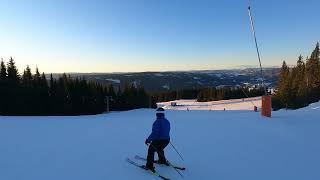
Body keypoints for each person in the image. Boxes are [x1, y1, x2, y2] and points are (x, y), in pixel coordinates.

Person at [145, 107, 170, 172]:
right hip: (167, 140)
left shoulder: (157, 122)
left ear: (157, 114)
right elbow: (167, 130)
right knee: (160, 148)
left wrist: (148, 140)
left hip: (159, 140)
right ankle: (162, 161)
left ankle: (149, 166)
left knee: (151, 150)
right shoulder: (167, 121)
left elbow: (155, 133)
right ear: (163, 114)